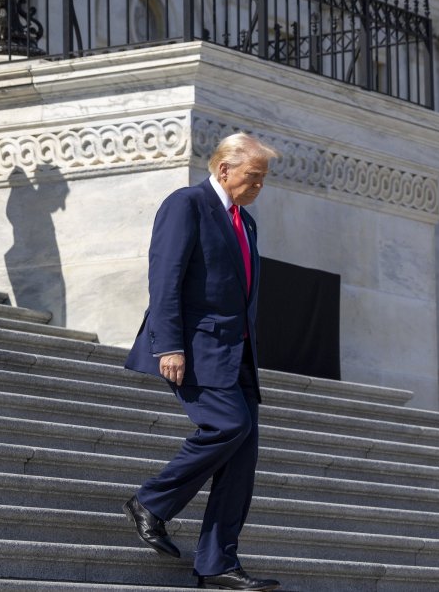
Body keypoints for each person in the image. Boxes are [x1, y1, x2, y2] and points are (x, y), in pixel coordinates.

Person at [122, 133, 282, 591]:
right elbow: (165, 275)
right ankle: (151, 501)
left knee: (242, 456)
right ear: (224, 169)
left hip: (238, 353)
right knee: (227, 426)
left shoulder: (245, 222)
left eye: (264, 179)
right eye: (254, 177)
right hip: (195, 348)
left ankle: (217, 563)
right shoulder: (186, 204)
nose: (258, 187)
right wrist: (167, 344)